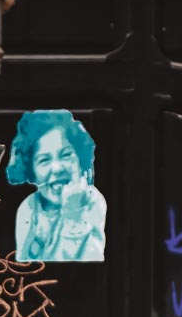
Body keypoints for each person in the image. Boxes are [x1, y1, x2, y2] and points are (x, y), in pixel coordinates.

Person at [7, 110, 107, 263]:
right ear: (31, 170)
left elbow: (88, 265)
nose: (57, 168)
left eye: (66, 155)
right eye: (44, 160)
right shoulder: (29, 207)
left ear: (79, 159)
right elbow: (22, 264)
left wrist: (73, 212)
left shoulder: (93, 202)